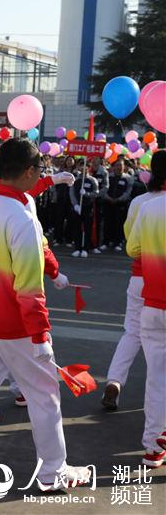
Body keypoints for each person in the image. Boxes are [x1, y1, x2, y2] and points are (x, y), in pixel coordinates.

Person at [0, 138, 91, 496]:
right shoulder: (22, 219)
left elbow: (24, 193)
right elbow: (28, 289)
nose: (42, 177)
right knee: (44, 397)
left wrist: (51, 182)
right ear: (28, 171)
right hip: (18, 329)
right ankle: (53, 473)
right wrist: (40, 337)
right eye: (39, 171)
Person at [103, 151, 166, 412]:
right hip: (158, 282)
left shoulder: (140, 201)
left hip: (140, 277)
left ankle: (115, 381)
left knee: (132, 333)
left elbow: (132, 244)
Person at [125, 185, 166, 468]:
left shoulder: (150, 207)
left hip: (153, 303)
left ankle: (153, 446)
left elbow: (132, 248)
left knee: (156, 377)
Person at [100, 159, 133, 252]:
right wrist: (108, 198)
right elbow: (103, 188)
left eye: (120, 165)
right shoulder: (108, 177)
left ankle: (117, 243)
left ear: (124, 167)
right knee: (107, 223)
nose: (118, 167)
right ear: (113, 167)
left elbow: (128, 192)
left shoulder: (128, 178)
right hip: (108, 203)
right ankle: (106, 242)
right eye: (117, 165)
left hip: (120, 205)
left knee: (119, 224)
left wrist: (118, 199)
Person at [70, 160, 99, 257]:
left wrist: (87, 194)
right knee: (76, 228)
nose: (84, 168)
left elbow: (96, 193)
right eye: (81, 166)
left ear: (89, 168)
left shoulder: (92, 180)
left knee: (87, 228)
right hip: (77, 207)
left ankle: (85, 248)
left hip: (88, 207)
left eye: (86, 166)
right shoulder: (75, 180)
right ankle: (77, 248)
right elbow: (72, 193)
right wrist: (75, 205)